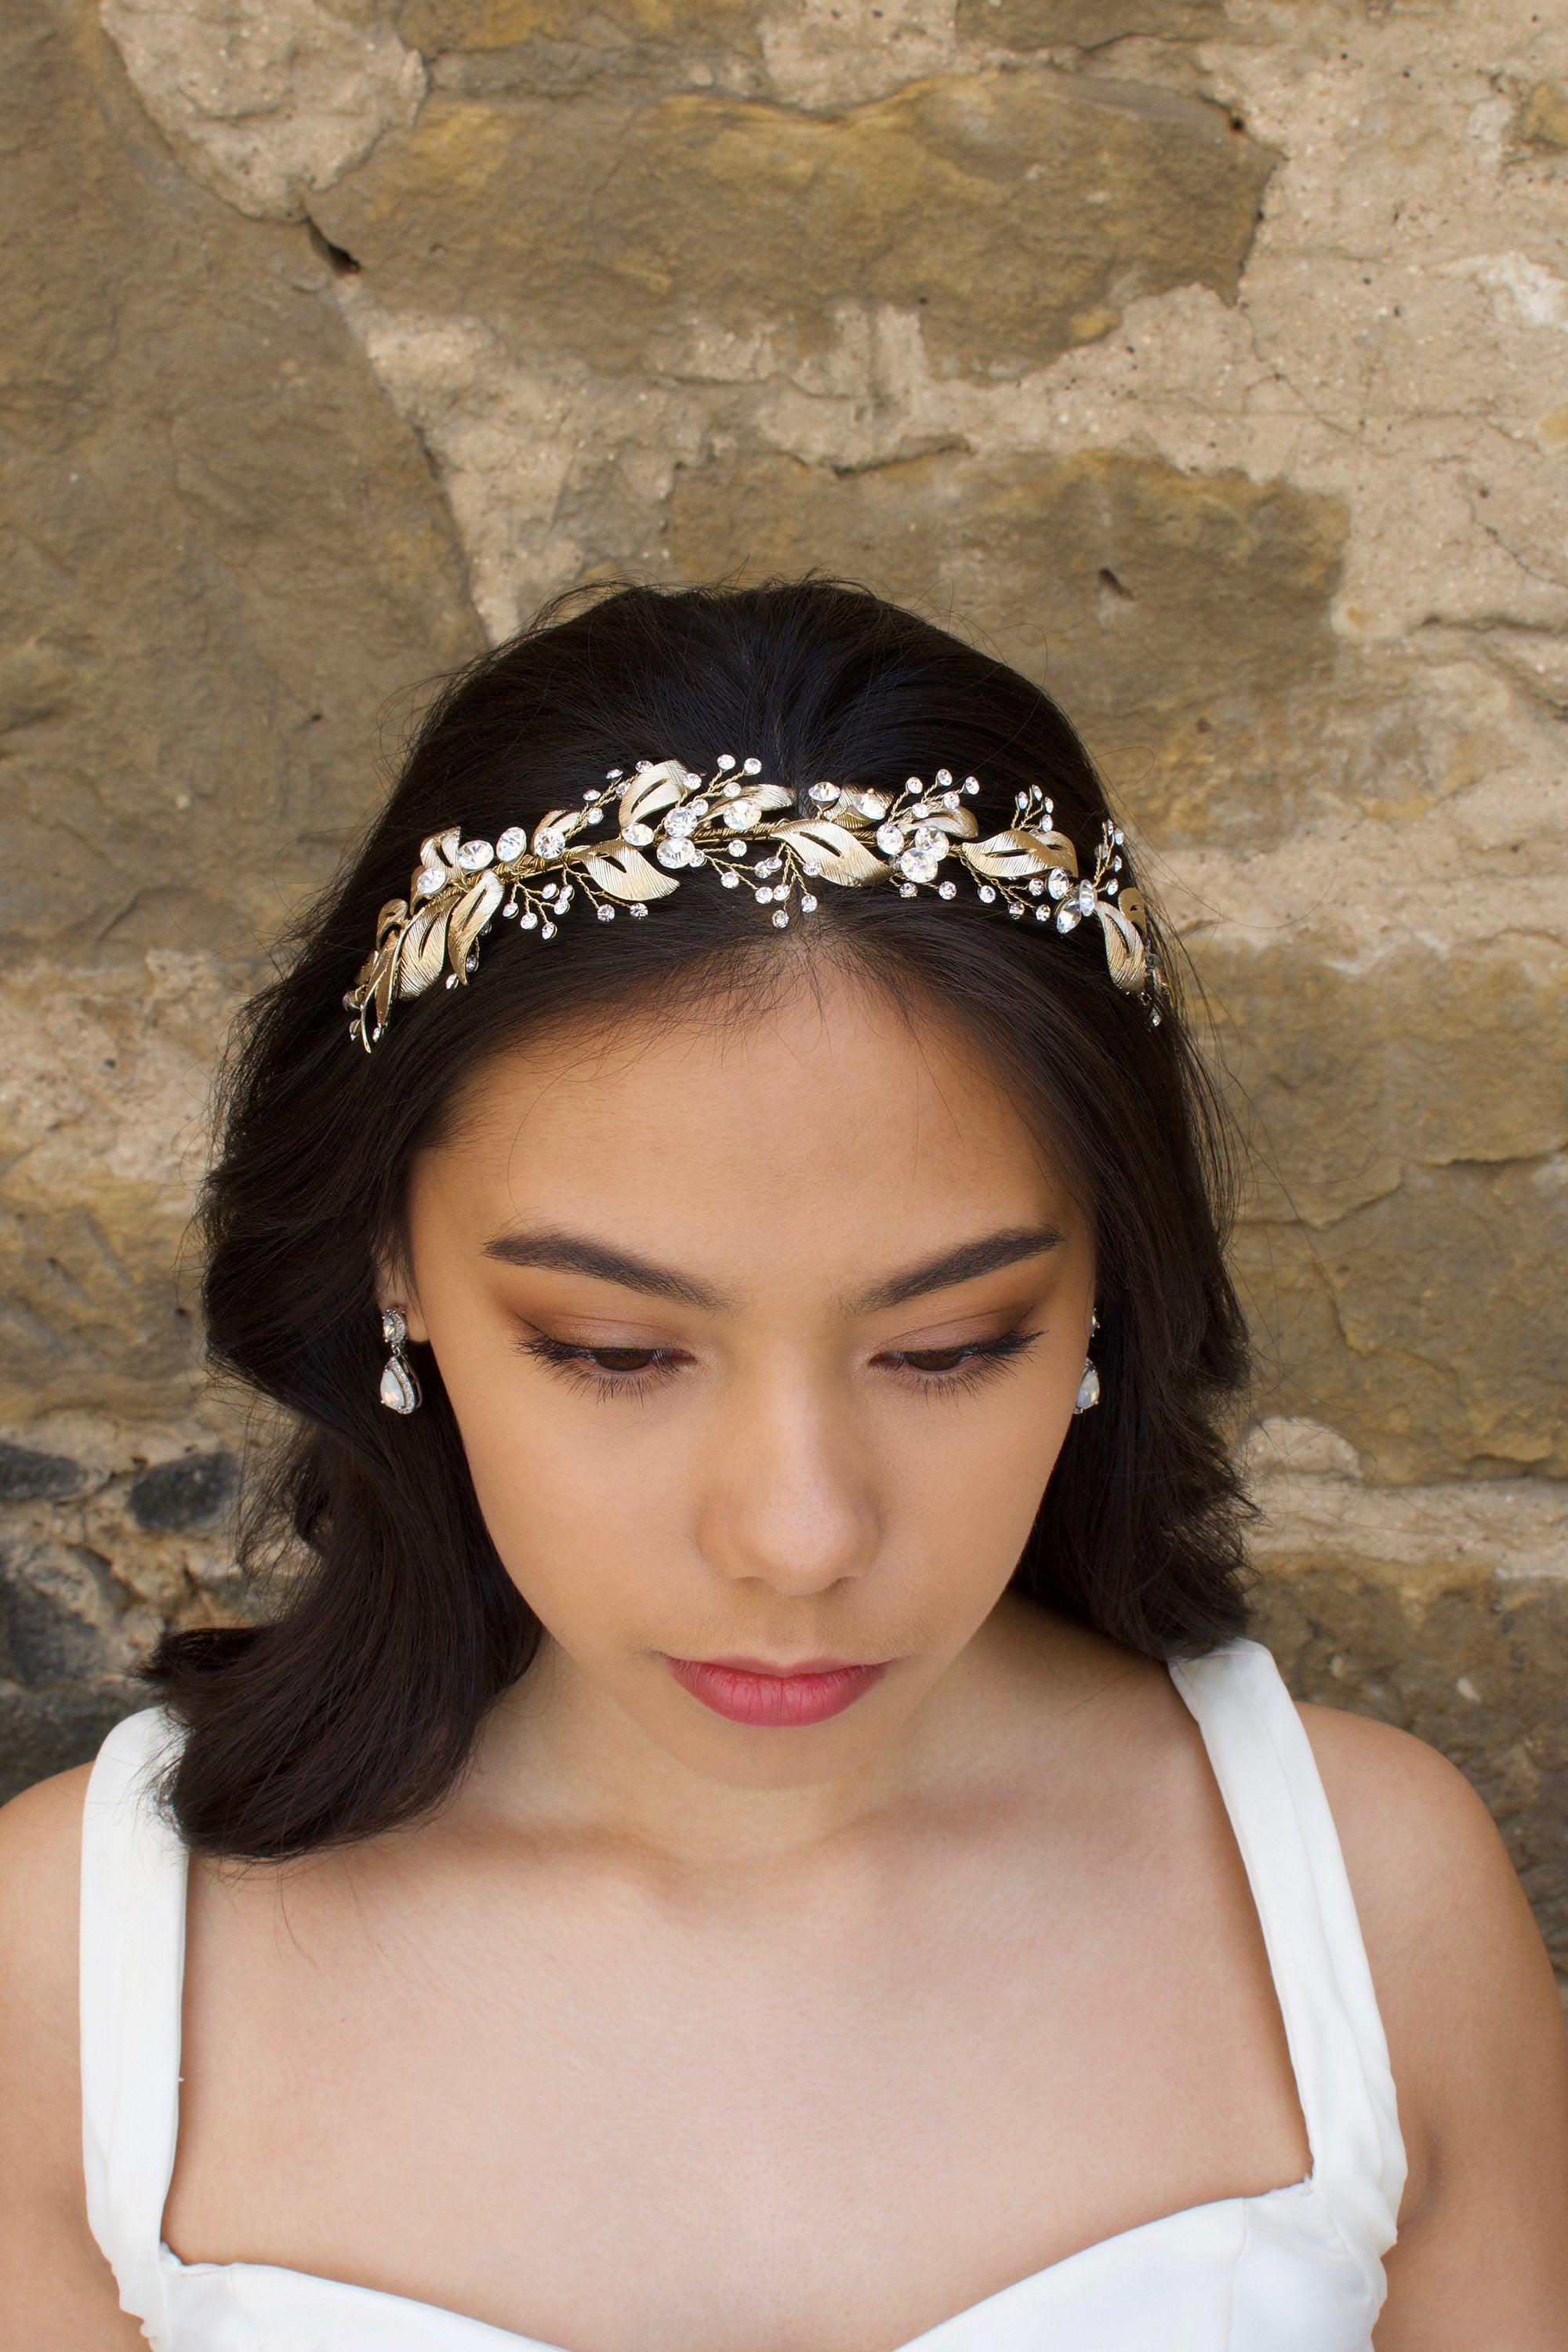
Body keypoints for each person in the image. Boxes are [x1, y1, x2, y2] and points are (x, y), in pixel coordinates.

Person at [1, 582, 1563, 2352]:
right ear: (389, 1264)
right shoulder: (77, 1980)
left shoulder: (1370, 1911)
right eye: (613, 1352)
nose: (799, 1535)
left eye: (948, 1348)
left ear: (1107, 1295)